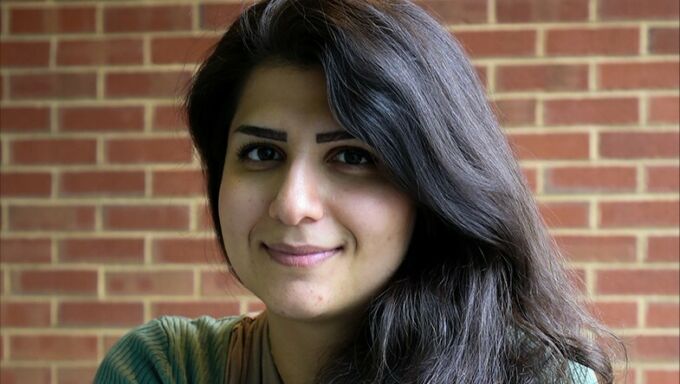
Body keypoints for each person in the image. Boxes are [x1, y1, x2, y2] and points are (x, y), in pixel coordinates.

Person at [94, 0, 621, 383]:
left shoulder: (536, 379)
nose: (293, 204)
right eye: (261, 153)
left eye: (352, 156)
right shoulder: (162, 369)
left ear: (431, 189)